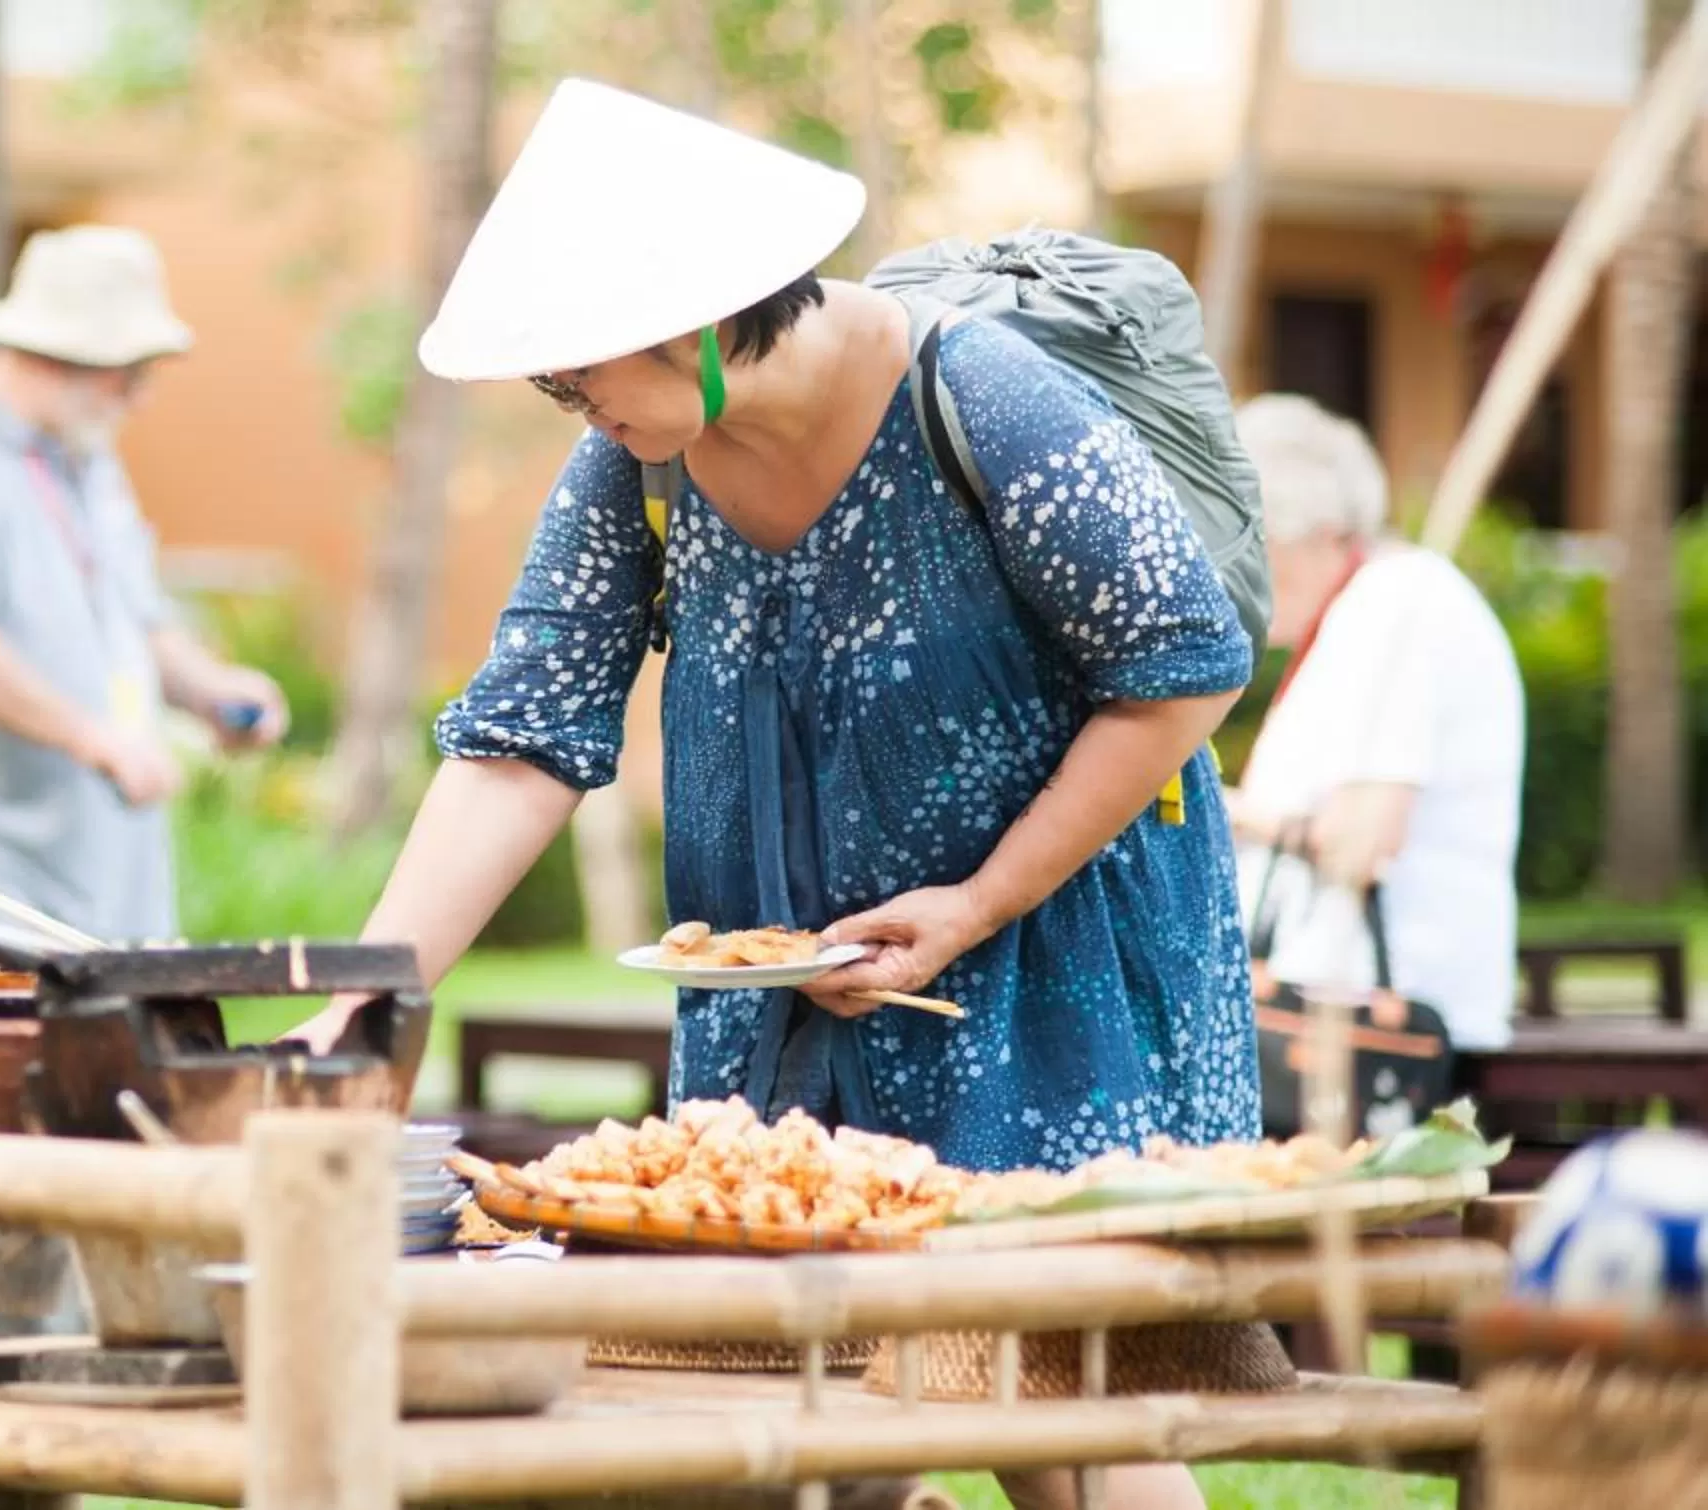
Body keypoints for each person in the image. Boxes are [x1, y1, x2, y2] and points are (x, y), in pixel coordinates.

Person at [284, 80, 1257, 1510]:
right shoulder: (639, 464)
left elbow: (1184, 672)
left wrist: (979, 901)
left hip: (1048, 960)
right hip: (796, 989)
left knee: (1064, 1401)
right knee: (843, 1399)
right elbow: (525, 734)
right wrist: (375, 992)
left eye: (575, 375)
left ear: (688, 316)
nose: (575, 408)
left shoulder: (978, 393)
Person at [0, 225, 288, 943]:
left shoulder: (86, 460)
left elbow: (131, 615)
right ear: (65, 359)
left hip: (80, 877)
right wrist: (95, 740)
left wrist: (211, 689)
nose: (142, 398)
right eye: (132, 374)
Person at [1225, 393, 1525, 1052]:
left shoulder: (1399, 602)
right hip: (1331, 1005)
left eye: (1255, 543)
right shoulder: (1360, 612)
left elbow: (1364, 841)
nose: (1235, 573)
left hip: (1380, 1018)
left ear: (1323, 531)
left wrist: (1222, 812)